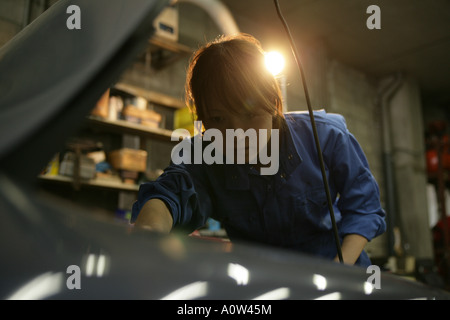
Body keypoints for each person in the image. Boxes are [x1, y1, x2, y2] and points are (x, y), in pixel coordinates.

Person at [131, 33, 386, 267]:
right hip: (265, 287)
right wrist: (147, 237)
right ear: (203, 119)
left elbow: (364, 207)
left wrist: (337, 271)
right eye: (218, 120)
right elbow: (168, 195)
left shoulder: (326, 135)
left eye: (250, 114)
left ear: (273, 103)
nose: (237, 135)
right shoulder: (202, 156)